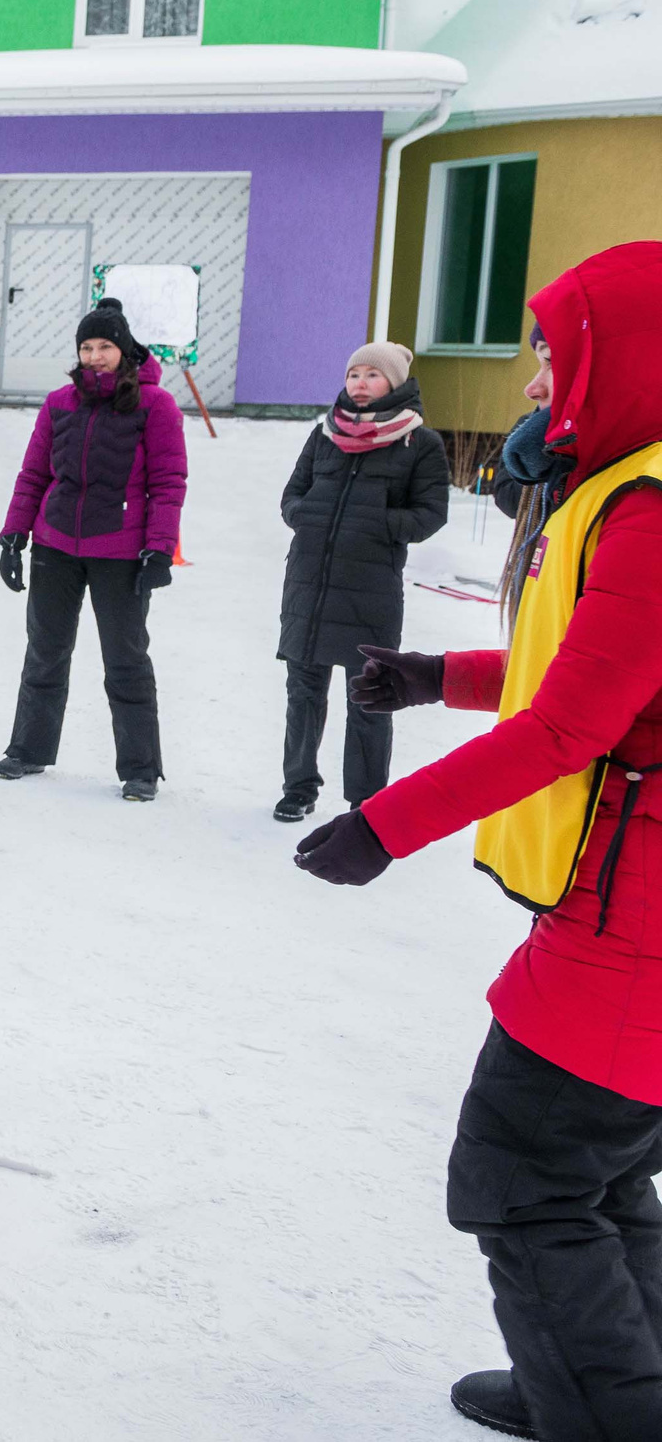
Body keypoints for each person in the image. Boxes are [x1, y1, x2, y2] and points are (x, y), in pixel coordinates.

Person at [297, 241, 662, 1442]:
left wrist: (381, 824)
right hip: (626, 899)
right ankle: (608, 1377)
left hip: (637, 916)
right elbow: (590, 663)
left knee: (523, 1172)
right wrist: (433, 673)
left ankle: (604, 1411)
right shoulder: (631, 487)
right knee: (601, 1171)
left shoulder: (651, 513)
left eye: (556, 353)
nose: (533, 380)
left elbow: (571, 718)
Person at [0, 304, 188, 802]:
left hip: (121, 551)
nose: (95, 357)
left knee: (125, 659)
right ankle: (29, 750)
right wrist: (14, 535)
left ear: (124, 351)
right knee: (45, 652)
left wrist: (159, 549)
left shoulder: (155, 405)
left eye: (104, 347)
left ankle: (141, 768)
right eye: (87, 348)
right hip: (54, 544)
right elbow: (34, 474)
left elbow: (168, 482)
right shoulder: (60, 402)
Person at [271, 342, 448, 823]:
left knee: (369, 698)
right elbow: (292, 495)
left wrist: (378, 525)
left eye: (372, 374)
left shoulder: (420, 443)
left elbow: (430, 514)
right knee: (303, 693)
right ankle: (298, 787)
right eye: (354, 374)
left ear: (395, 383)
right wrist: (304, 516)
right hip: (310, 583)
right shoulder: (324, 434)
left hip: (370, 589)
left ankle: (365, 801)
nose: (360, 383)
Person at [496, 321, 560, 628]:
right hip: (529, 567)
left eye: (551, 362)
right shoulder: (528, 432)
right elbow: (504, 490)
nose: (531, 388)